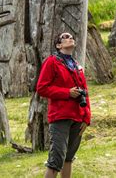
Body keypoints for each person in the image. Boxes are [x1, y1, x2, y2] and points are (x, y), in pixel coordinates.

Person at [36, 32, 91, 178]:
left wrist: (87, 117)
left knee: (69, 158)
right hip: (60, 117)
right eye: (65, 37)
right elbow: (41, 88)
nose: (70, 38)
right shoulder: (52, 61)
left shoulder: (77, 65)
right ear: (58, 45)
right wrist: (66, 92)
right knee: (56, 160)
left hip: (78, 118)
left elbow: (85, 92)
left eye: (72, 36)